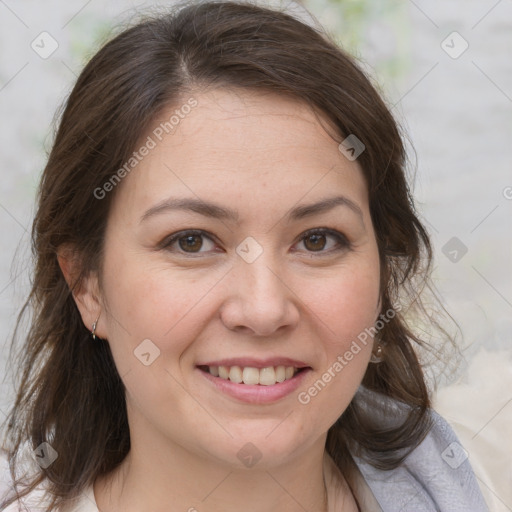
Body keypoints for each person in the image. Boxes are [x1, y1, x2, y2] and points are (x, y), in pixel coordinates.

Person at [0, 1, 489, 510]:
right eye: (191, 241)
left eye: (317, 239)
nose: (263, 310)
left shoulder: (478, 481)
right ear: (86, 286)